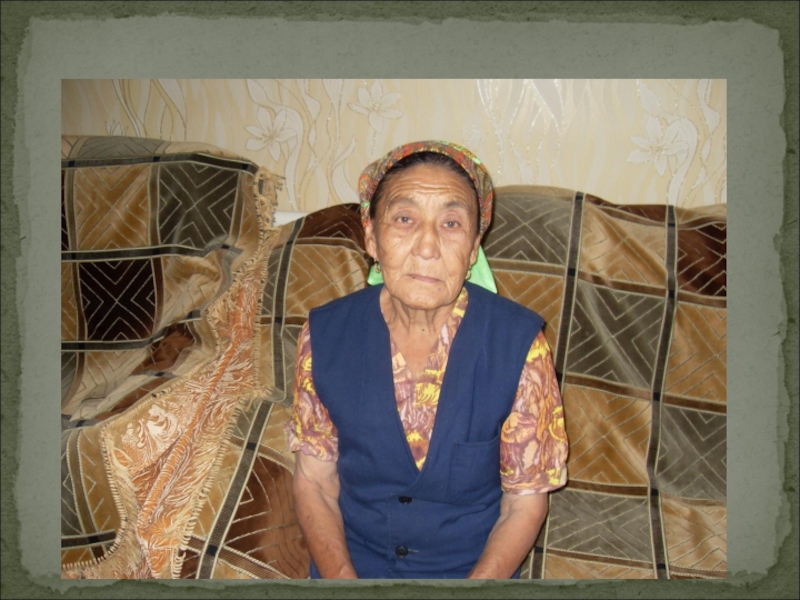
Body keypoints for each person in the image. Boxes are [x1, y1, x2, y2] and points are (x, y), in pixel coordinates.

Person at [285, 140, 568, 579]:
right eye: (404, 219)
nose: (428, 246)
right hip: (351, 570)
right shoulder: (324, 336)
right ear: (371, 236)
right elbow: (315, 483)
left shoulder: (519, 346)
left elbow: (523, 505)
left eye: (451, 223)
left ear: (473, 249)